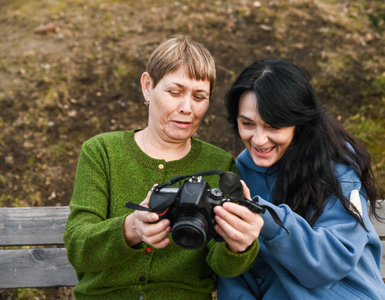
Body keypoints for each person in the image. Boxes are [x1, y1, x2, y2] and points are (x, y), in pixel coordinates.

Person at [64, 36, 263, 300]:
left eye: (199, 96)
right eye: (175, 92)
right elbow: (79, 248)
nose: (187, 108)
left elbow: (223, 267)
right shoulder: (102, 152)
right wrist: (131, 228)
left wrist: (239, 246)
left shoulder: (219, 166)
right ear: (148, 87)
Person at [217, 58, 385, 299]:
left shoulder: (338, 167)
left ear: (298, 123)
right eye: (247, 124)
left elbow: (334, 258)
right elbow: (236, 275)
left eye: (273, 127)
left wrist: (268, 220)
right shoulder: (238, 175)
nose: (258, 139)